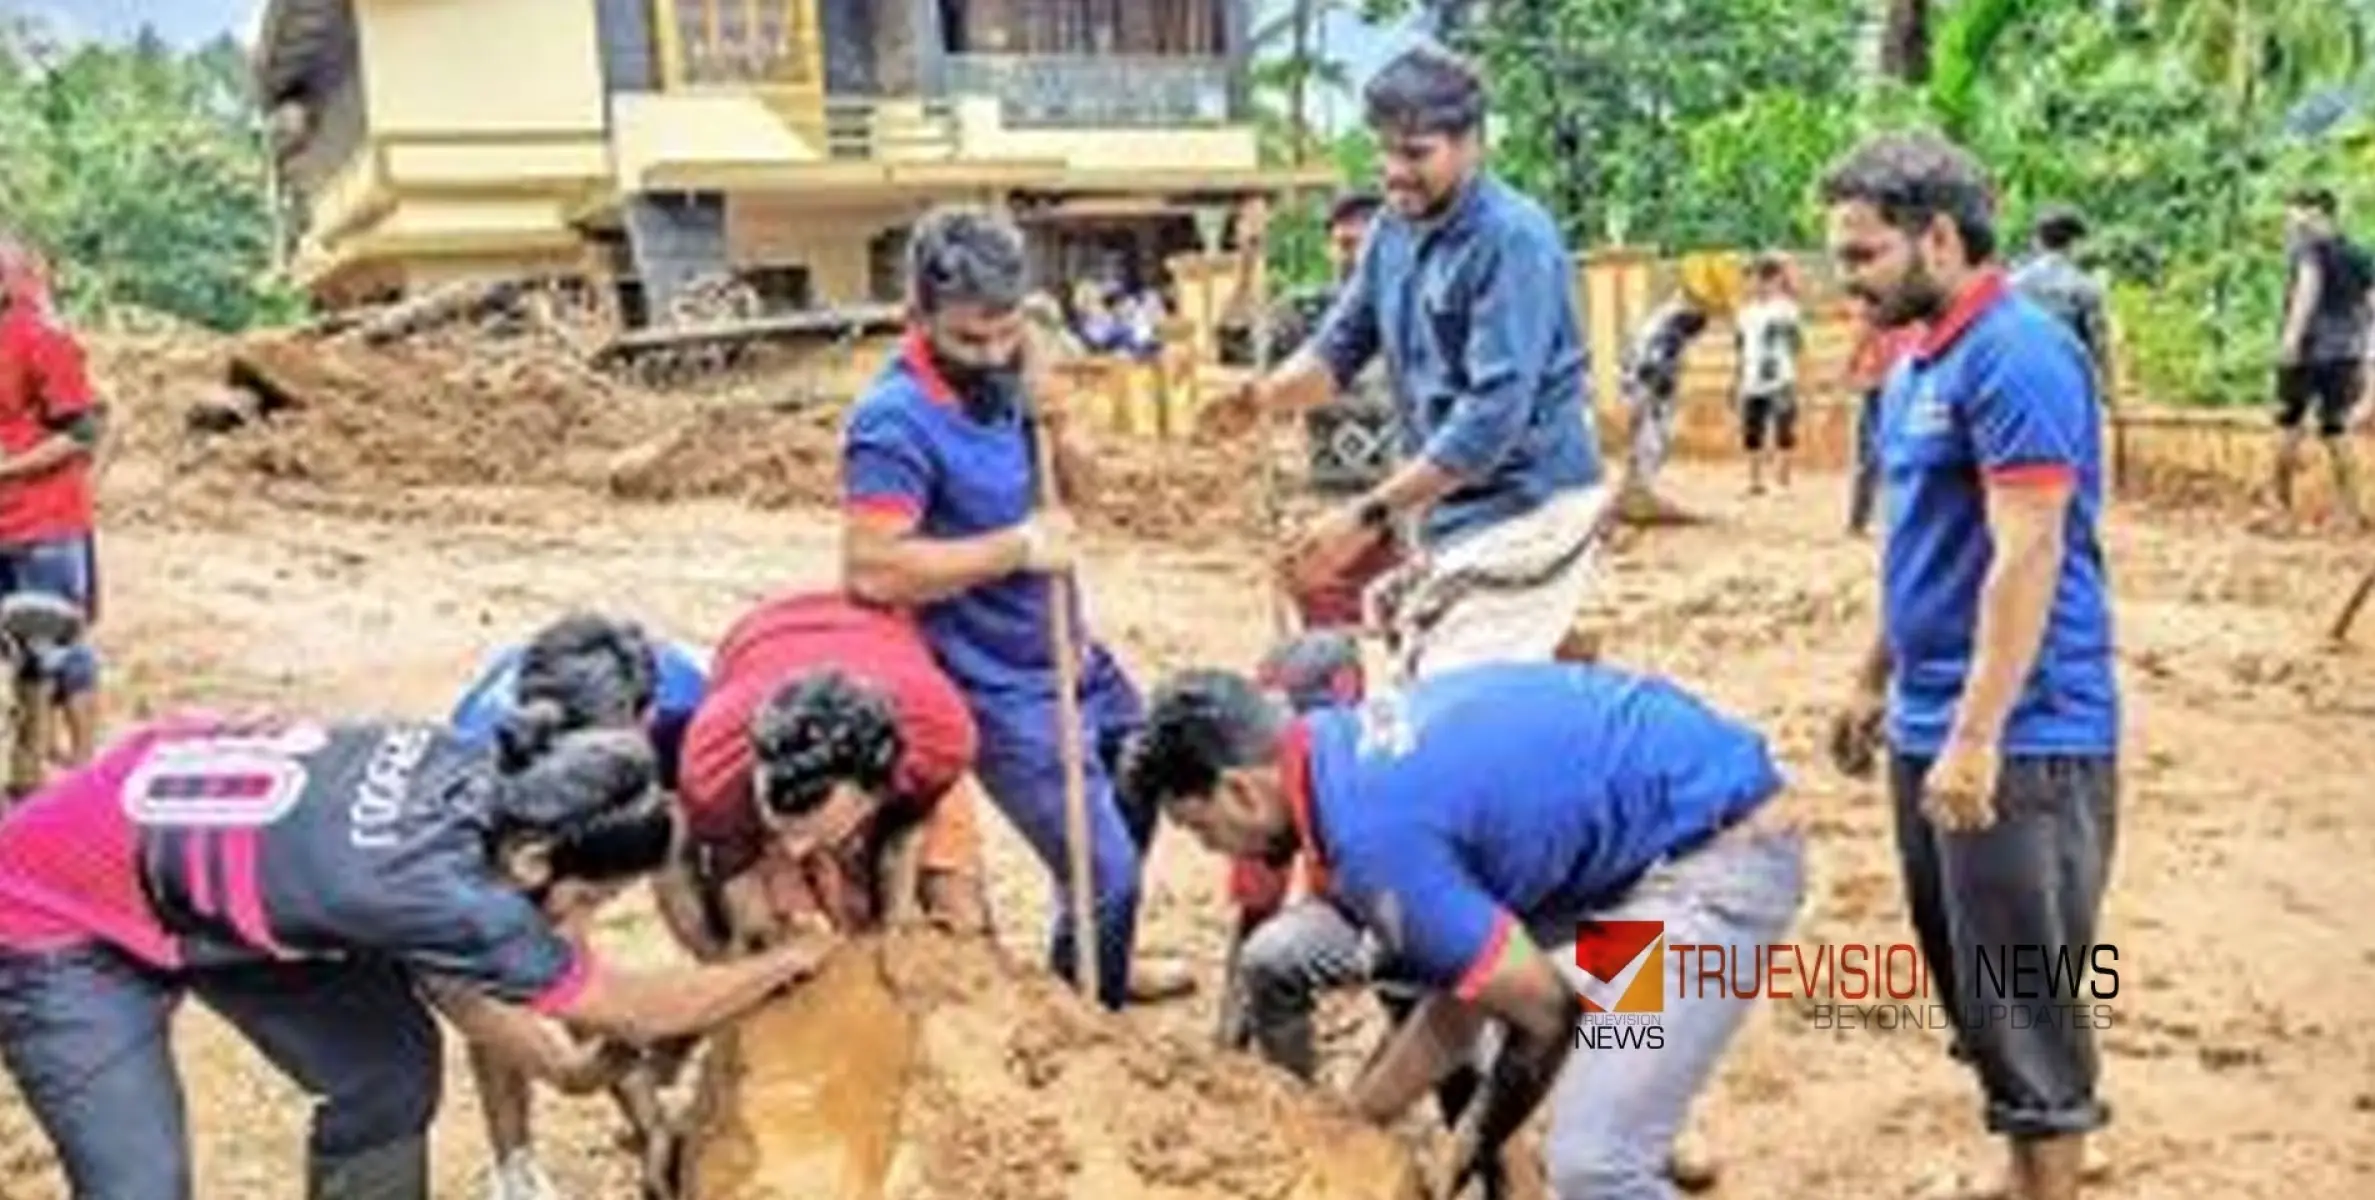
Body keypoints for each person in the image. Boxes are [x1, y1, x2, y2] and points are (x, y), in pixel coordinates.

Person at [0, 709, 833, 1200]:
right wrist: (783, 962)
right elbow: (630, 1009)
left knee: (387, 1069)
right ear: (537, 860)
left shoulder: (466, 767)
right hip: (57, 921)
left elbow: (453, 986)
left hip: (213, 883)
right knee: (141, 1184)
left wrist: (567, 1073)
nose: (576, 923)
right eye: (584, 901)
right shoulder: (447, 894)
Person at [1126, 661, 1806, 1198]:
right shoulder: (1338, 754)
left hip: (1714, 858)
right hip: (1648, 841)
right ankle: (1644, 1103)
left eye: (1201, 828)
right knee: (1605, 1060)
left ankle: (1638, 1122)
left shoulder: (1370, 840)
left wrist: (1464, 1153)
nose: (1218, 850)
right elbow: (1462, 998)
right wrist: (1350, 1128)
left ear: (1244, 789)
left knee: (1594, 1164)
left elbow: (1544, 1017)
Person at [1821, 131, 2120, 1200]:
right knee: (1969, 969)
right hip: (1935, 715)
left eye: (1860, 255)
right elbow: (1927, 553)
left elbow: (2025, 549)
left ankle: (2049, 1172)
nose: (1843, 280)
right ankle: (2025, 1162)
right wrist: (1871, 675)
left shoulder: (2017, 355)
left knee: (2022, 981)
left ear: (1936, 237)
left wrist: (1977, 731)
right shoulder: (1919, 360)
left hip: (2022, 731)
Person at [841, 205, 1185, 1011]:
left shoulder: (1016, 369)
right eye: (969, 339)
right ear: (916, 318)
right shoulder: (892, 423)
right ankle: (1082, 1013)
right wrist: (1016, 549)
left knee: (1141, 771)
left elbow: (1089, 495)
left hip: (1070, 652)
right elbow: (873, 569)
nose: (991, 353)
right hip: (994, 684)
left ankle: (1099, 953)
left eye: (1005, 330)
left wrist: (1056, 414)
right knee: (1105, 870)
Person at [1209, 47, 1609, 682]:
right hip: (1448, 513)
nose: (1394, 174)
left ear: (1471, 143)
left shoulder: (1513, 240)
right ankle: (1559, 681)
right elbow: (1337, 350)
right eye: (1385, 154)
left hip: (1528, 508)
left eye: (1416, 154)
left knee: (1452, 706)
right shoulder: (1390, 233)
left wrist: (1365, 517)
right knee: (1433, 685)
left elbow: (1489, 423)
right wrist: (1260, 398)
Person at [444, 615, 709, 1200]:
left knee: (697, 913)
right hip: (523, 819)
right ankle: (515, 1167)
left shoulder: (690, 708)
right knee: (508, 963)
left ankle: (689, 1071)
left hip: (665, 771)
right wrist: (642, 1114)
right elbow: (505, 979)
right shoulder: (482, 757)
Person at [661, 589, 990, 949]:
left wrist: (897, 922)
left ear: (873, 795)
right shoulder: (713, 771)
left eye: (814, 832)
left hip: (885, 642)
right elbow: (743, 897)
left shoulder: (941, 738)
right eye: (782, 829)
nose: (796, 849)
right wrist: (760, 950)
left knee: (958, 912)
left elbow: (908, 829)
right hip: (758, 642)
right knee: (781, 934)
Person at [0, 237, 104, 784]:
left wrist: (8, 469)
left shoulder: (42, 339)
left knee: (57, 646)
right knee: (18, 650)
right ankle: (29, 765)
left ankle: (86, 769)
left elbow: (83, 432)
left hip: (45, 522)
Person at [2270, 187, 2372, 530]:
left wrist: (2291, 339)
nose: (2290, 222)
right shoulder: (2359, 254)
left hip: (2308, 351)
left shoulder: (2308, 248)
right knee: (2336, 429)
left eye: (2295, 213)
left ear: (2316, 214)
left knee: (2287, 424)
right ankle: (2352, 511)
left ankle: (2281, 511)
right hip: (2345, 354)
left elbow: (2307, 289)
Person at [1840, 294, 1926, 537]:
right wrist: (1851, 367)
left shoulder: (1915, 302)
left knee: (1881, 456)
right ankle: (1863, 519)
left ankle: (1874, 518)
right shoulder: (1882, 302)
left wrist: (1850, 368)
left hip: (1898, 382)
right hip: (1886, 384)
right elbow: (1862, 337)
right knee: (1874, 456)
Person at [1617, 294, 1711, 499]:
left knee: (1644, 435)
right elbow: (1659, 365)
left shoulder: (1659, 319)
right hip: (1650, 384)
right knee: (1654, 438)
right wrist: (1657, 390)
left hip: (1637, 379)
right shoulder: (1672, 333)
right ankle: (1640, 487)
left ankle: (1636, 484)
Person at [1734, 254, 1805, 495]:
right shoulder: (1745, 313)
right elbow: (1741, 347)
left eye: (1764, 279)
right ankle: (1754, 481)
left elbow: (1797, 344)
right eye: (1755, 279)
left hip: (1781, 377)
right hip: (1751, 378)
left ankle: (1782, 481)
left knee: (1784, 428)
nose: (1758, 285)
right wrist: (1737, 379)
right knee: (1752, 431)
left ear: (1775, 281)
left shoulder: (1786, 310)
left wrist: (1799, 373)